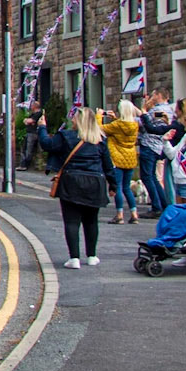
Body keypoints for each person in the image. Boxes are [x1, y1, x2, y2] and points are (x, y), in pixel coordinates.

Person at [40, 105, 116, 267]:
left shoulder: (66, 136)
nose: (72, 120)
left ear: (80, 120)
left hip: (71, 182)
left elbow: (47, 144)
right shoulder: (99, 140)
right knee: (91, 221)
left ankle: (74, 258)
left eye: (74, 117)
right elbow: (108, 166)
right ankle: (92, 256)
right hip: (95, 183)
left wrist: (42, 127)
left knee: (71, 221)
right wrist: (113, 186)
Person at [101, 100, 140, 224]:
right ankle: (134, 214)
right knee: (127, 188)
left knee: (117, 187)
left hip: (117, 158)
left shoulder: (116, 125)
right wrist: (115, 119)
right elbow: (123, 127)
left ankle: (119, 214)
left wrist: (98, 116)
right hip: (130, 158)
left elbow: (100, 129)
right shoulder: (134, 125)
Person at [138, 92, 175, 215]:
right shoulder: (169, 110)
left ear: (159, 95)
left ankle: (156, 206)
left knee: (147, 176)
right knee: (153, 176)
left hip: (149, 145)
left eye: (153, 95)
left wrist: (143, 109)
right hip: (158, 146)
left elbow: (143, 123)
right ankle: (163, 204)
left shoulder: (157, 110)